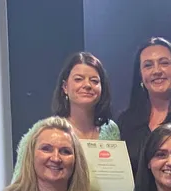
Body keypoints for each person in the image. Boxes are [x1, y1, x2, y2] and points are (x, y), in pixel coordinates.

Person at [12, 52, 119, 182]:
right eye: (78, 79)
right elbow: (19, 182)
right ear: (65, 87)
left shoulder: (111, 130)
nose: (87, 85)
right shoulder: (42, 131)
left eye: (94, 81)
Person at [116, 36, 171, 170]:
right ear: (140, 75)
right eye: (148, 65)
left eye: (164, 63)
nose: (157, 71)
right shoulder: (125, 122)